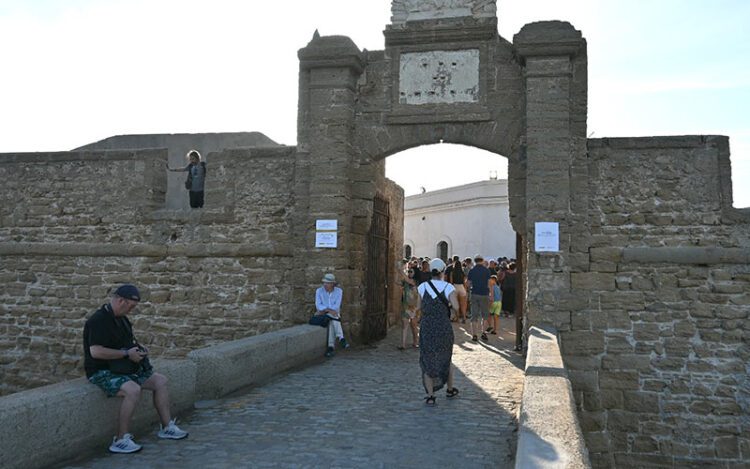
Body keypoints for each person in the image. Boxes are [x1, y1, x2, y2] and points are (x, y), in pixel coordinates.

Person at [83, 284, 188, 454]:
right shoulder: (98, 320)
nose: (132, 310)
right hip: (101, 371)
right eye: (130, 306)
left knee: (160, 381)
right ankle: (120, 439)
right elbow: (95, 351)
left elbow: (127, 345)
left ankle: (167, 427)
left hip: (122, 368)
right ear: (120, 300)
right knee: (133, 390)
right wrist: (126, 354)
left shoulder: (123, 319)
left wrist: (139, 350)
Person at [417, 258, 460, 406]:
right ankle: (449, 388)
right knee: (446, 357)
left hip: (427, 326)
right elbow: (456, 307)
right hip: (443, 326)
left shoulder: (422, 287)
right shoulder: (448, 287)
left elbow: (419, 307)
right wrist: (448, 304)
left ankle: (430, 395)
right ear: (443, 271)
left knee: (427, 358)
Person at [313, 273, 349, 357]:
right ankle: (341, 338)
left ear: (332, 284)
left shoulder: (339, 291)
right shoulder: (319, 291)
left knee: (332, 319)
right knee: (335, 317)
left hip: (332, 314)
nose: (325, 284)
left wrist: (328, 310)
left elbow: (336, 306)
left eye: (328, 283)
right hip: (322, 314)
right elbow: (318, 305)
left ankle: (331, 347)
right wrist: (328, 310)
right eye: (324, 282)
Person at [467, 254, 491, 342]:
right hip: (484, 293)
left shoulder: (472, 271)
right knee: (485, 315)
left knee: (474, 315)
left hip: (474, 293)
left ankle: (474, 335)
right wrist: (490, 294)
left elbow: (468, 283)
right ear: (482, 260)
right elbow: (489, 283)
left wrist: (470, 288)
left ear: (475, 261)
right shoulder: (486, 271)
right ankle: (483, 332)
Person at [399, 264, 420, 350]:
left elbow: (408, 280)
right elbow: (397, 282)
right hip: (406, 305)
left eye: (411, 271)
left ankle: (416, 341)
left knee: (413, 326)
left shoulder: (415, 281)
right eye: (409, 271)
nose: (409, 273)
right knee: (405, 325)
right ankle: (403, 344)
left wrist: (400, 271)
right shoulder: (405, 282)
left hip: (414, 307)